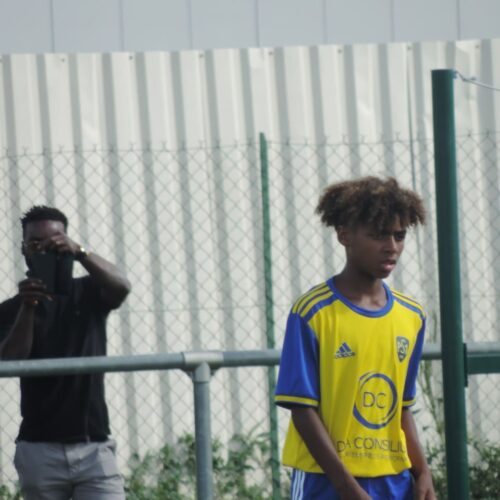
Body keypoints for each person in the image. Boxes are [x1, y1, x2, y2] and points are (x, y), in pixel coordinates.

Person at [275, 177, 436, 500]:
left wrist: (423, 473)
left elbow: (402, 408)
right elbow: (302, 410)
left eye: (399, 235)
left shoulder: (411, 315)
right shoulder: (313, 313)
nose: (391, 246)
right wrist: (346, 487)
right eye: (378, 235)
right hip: (326, 482)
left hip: (394, 481)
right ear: (344, 235)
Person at [0, 206, 131, 500]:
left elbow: (122, 286)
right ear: (23, 249)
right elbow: (10, 360)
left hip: (93, 444)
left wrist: (81, 252)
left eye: (55, 241)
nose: (46, 249)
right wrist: (28, 308)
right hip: (39, 447)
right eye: (36, 243)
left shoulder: (89, 292)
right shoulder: (13, 309)